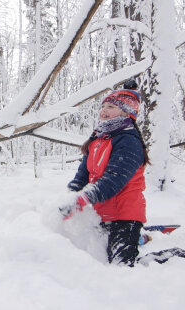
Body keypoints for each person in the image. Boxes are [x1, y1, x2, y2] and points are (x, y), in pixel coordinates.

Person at [60, 80, 150, 267]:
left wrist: (83, 199)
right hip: (101, 213)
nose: (103, 110)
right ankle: (137, 239)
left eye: (110, 106)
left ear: (126, 112)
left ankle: (170, 259)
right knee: (94, 258)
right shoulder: (97, 140)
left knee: (121, 267)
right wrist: (69, 197)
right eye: (103, 106)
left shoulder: (128, 141)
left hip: (125, 215)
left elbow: (113, 180)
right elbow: (82, 177)